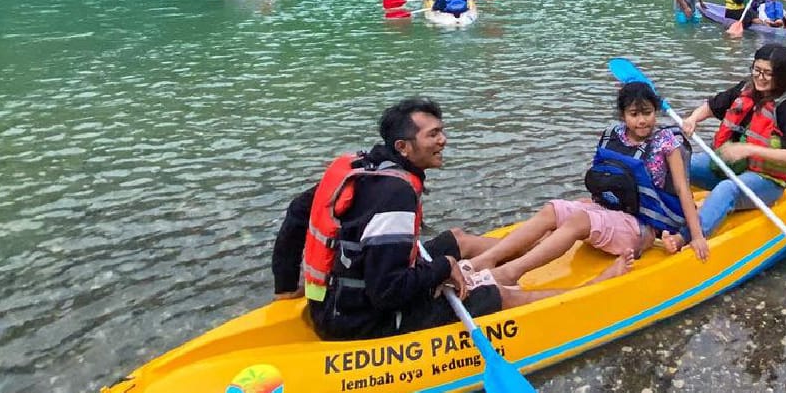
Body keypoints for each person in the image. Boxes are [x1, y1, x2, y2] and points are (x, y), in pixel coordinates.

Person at [270, 99, 580, 341]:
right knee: (495, 295)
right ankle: (590, 293)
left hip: (336, 301)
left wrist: (285, 284)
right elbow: (388, 292)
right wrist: (444, 267)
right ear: (403, 147)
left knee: (456, 238)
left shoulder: (363, 168)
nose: (443, 140)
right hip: (360, 322)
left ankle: (542, 249)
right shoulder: (395, 194)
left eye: (442, 131)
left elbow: (298, 211)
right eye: (433, 134)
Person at [462, 82, 709, 283]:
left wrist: (695, 236)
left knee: (579, 220)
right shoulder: (613, 135)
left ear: (656, 111)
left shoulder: (666, 142)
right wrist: (587, 205)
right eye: (634, 114)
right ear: (623, 116)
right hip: (611, 212)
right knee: (553, 210)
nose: (642, 120)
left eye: (647, 112)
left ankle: (510, 272)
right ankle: (486, 259)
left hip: (643, 228)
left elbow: (681, 189)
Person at [679, 44, 786, 237]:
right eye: (757, 70)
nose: (760, 77)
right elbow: (711, 106)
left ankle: (685, 237)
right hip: (730, 167)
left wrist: (748, 150)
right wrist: (693, 119)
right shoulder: (746, 89)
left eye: (767, 73)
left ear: (782, 75)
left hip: (766, 181)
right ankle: (665, 217)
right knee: (680, 164)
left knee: (727, 189)